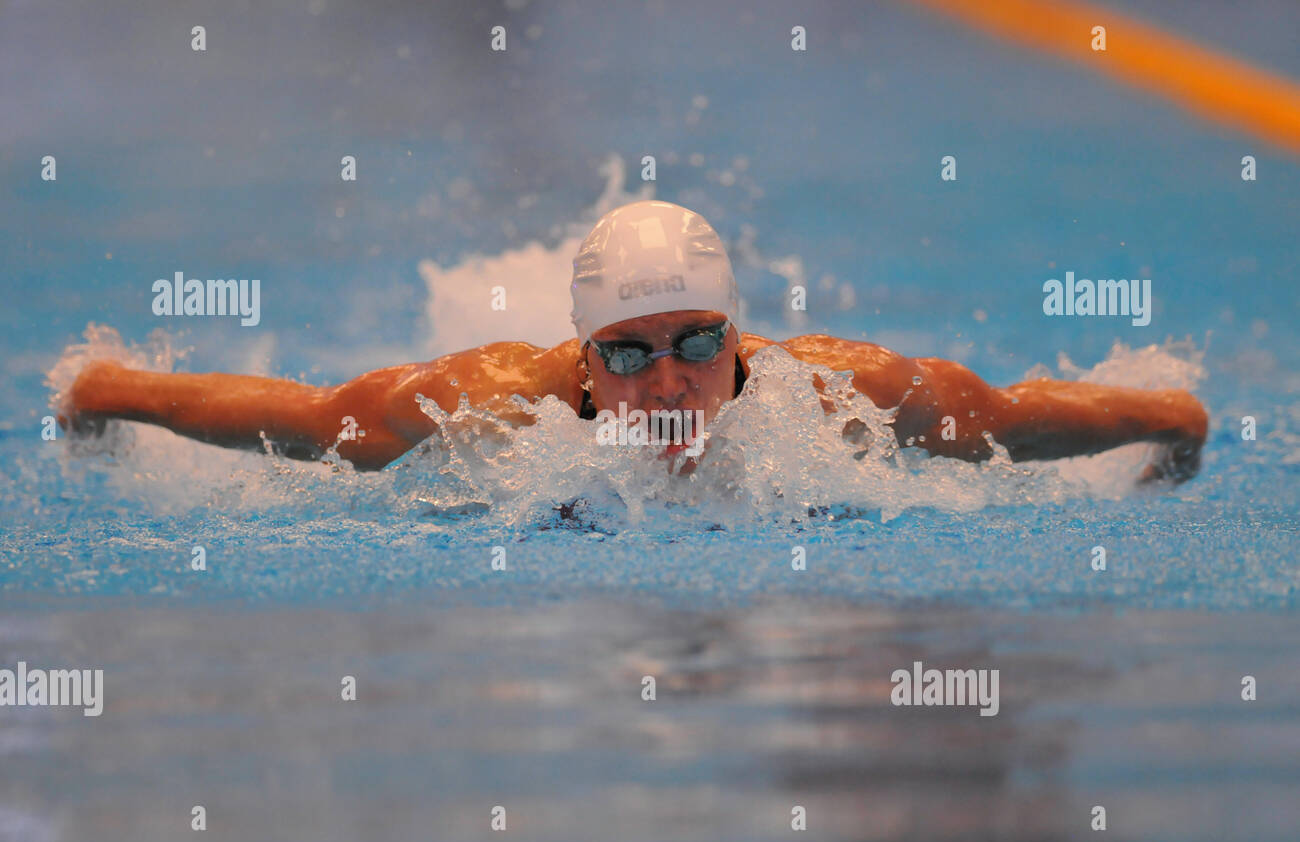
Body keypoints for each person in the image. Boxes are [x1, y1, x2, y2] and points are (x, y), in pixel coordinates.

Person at [56, 200, 1207, 481]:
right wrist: (108, 388)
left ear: (737, 331)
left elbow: (1003, 415)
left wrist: (1175, 421)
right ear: (582, 356)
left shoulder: (834, 391)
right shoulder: (500, 399)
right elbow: (311, 422)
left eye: (696, 339)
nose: (666, 381)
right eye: (626, 352)